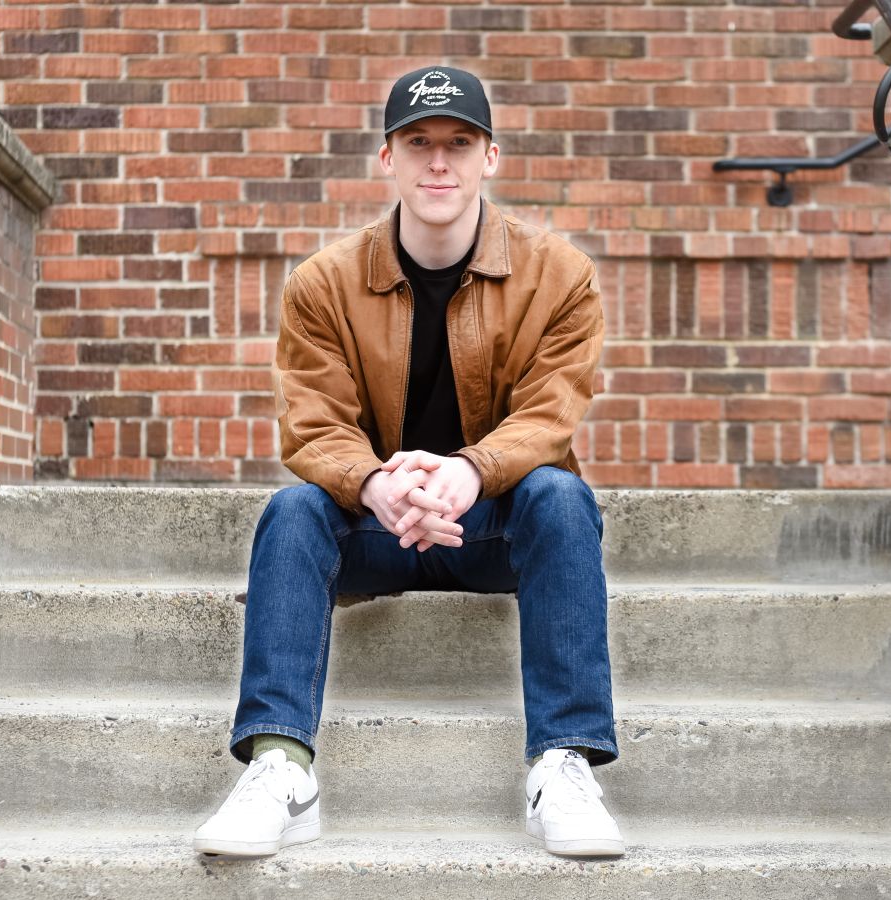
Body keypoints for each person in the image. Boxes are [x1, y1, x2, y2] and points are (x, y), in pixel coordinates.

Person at [193, 65, 623, 859]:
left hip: (494, 530)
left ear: (488, 156)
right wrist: (373, 482)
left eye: (459, 142)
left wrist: (472, 470)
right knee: (292, 511)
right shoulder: (323, 283)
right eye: (418, 142)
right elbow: (314, 423)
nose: (438, 162)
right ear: (385, 157)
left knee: (562, 498)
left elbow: (551, 412)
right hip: (377, 527)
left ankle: (562, 764)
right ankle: (280, 768)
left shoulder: (560, 276)